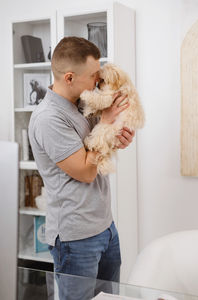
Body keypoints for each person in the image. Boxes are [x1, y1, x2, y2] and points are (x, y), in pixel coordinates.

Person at [28, 36, 135, 300]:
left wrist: (118, 138)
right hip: (75, 238)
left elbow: (96, 150)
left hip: (105, 228)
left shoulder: (82, 105)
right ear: (69, 78)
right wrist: (107, 125)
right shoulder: (48, 119)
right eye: (93, 76)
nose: (98, 81)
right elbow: (86, 171)